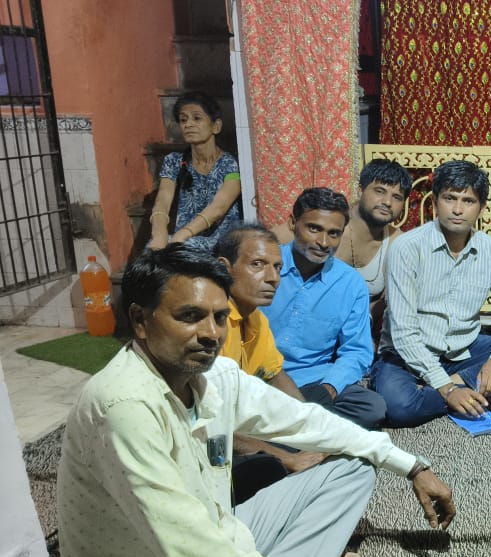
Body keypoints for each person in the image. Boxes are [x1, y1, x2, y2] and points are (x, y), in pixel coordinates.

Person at [57, 245, 456, 557]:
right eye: (189, 316)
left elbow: (305, 421)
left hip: (219, 537)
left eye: (218, 317)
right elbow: (183, 543)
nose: (211, 334)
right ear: (140, 320)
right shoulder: (124, 405)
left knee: (354, 464)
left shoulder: (214, 376)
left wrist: (412, 466)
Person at [373, 160, 491, 427]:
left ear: (481, 208)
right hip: (407, 356)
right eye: (450, 198)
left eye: (468, 201)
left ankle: (462, 383)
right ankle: (473, 387)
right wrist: (448, 389)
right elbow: (403, 334)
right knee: (400, 408)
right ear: (435, 202)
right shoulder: (406, 248)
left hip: (463, 352)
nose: (458, 210)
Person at [215, 224, 326, 503]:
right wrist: (289, 459)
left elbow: (276, 374)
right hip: (210, 441)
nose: (273, 278)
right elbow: (214, 426)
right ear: (225, 268)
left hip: (243, 419)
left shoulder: (255, 317)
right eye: (257, 264)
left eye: (277, 267)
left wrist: (311, 426)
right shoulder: (212, 324)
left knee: (322, 406)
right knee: (269, 469)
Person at [263, 187, 389, 429]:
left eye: (333, 234)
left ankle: (285, 425)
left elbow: (356, 351)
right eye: (314, 229)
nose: (323, 242)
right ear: (292, 223)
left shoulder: (350, 283)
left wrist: (327, 390)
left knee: (372, 408)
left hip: (312, 379)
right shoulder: (263, 267)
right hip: (259, 376)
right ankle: (302, 428)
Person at [147, 91, 242, 253]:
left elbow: (218, 208)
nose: (188, 124)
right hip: (183, 240)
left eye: (197, 118)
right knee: (151, 251)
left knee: (180, 250)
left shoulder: (229, 164)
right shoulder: (174, 161)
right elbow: (163, 201)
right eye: (183, 120)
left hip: (219, 242)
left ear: (216, 126)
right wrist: (159, 235)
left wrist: (182, 235)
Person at [336, 158, 412, 342]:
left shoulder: (397, 242)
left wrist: (364, 323)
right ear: (360, 190)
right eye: (379, 191)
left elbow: (389, 299)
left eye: (397, 197)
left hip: (359, 333)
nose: (387, 202)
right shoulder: (330, 227)